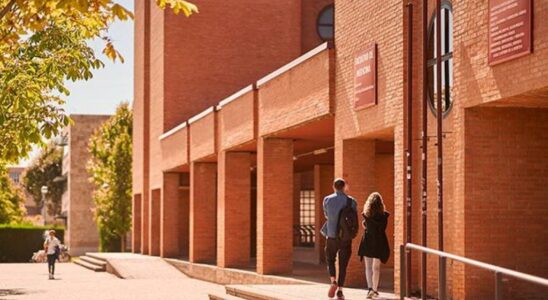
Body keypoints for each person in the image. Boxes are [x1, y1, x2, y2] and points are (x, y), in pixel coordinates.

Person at [321, 178, 357, 300]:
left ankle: (333, 281)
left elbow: (326, 215)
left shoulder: (327, 200)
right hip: (346, 237)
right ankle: (340, 291)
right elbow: (354, 219)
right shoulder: (351, 201)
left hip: (331, 235)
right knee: (343, 264)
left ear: (334, 187)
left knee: (330, 259)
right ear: (344, 187)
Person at [358, 192, 390, 299]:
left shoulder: (366, 215)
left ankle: (369, 289)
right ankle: (375, 290)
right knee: (376, 268)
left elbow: (367, 227)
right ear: (381, 203)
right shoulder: (384, 216)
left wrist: (365, 226)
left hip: (368, 241)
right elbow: (382, 229)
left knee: (368, 267)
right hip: (380, 242)